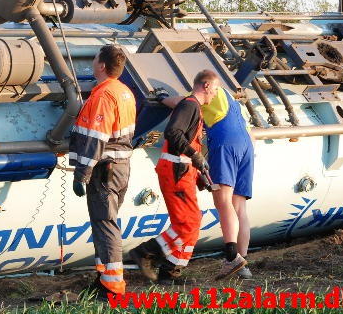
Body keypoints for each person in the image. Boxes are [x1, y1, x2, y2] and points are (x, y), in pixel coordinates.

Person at [158, 78, 255, 279]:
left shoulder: (204, 94)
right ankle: (242, 264)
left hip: (225, 143)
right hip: (247, 143)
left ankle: (231, 258)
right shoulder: (229, 94)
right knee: (240, 207)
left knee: (224, 201)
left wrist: (161, 98)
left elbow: (180, 103)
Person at [128, 69, 217, 283]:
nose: (215, 94)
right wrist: (194, 154)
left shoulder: (191, 106)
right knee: (186, 224)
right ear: (205, 86)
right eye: (215, 89)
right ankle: (146, 253)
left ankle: (171, 270)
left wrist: (197, 172)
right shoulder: (189, 106)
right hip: (176, 172)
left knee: (193, 221)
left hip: (183, 172)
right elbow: (173, 132)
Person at [69, 44, 136, 298]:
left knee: (105, 224)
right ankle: (103, 278)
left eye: (95, 58)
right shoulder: (124, 92)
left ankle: (112, 288)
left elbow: (94, 140)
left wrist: (81, 175)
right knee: (104, 223)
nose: (93, 61)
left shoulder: (103, 97)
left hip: (104, 170)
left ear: (102, 66)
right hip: (120, 167)